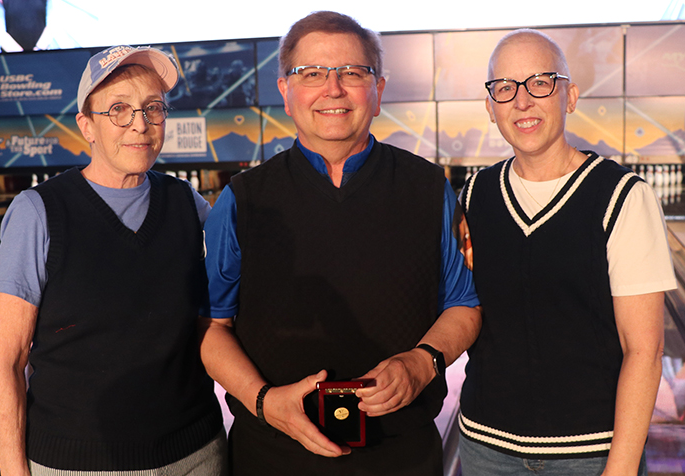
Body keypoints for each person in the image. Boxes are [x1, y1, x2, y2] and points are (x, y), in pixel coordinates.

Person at [200, 11, 481, 476]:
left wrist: (422, 362)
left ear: (379, 90)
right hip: (271, 458)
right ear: (286, 93)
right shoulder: (241, 200)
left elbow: (465, 304)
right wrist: (266, 402)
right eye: (311, 74)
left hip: (403, 457)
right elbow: (212, 327)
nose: (333, 88)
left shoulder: (430, 190)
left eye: (353, 72)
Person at [0, 45, 227, 476]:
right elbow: (5, 361)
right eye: (119, 109)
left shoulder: (187, 203)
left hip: (196, 453)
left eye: (153, 108)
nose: (141, 124)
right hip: (76, 464)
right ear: (87, 126)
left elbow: (226, 312)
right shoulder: (38, 212)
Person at [458, 29, 677, 476]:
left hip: (590, 453)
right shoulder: (473, 194)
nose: (522, 101)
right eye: (505, 88)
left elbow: (644, 351)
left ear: (570, 96)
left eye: (540, 82)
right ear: (490, 107)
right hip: (484, 446)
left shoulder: (621, 197)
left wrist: (619, 469)